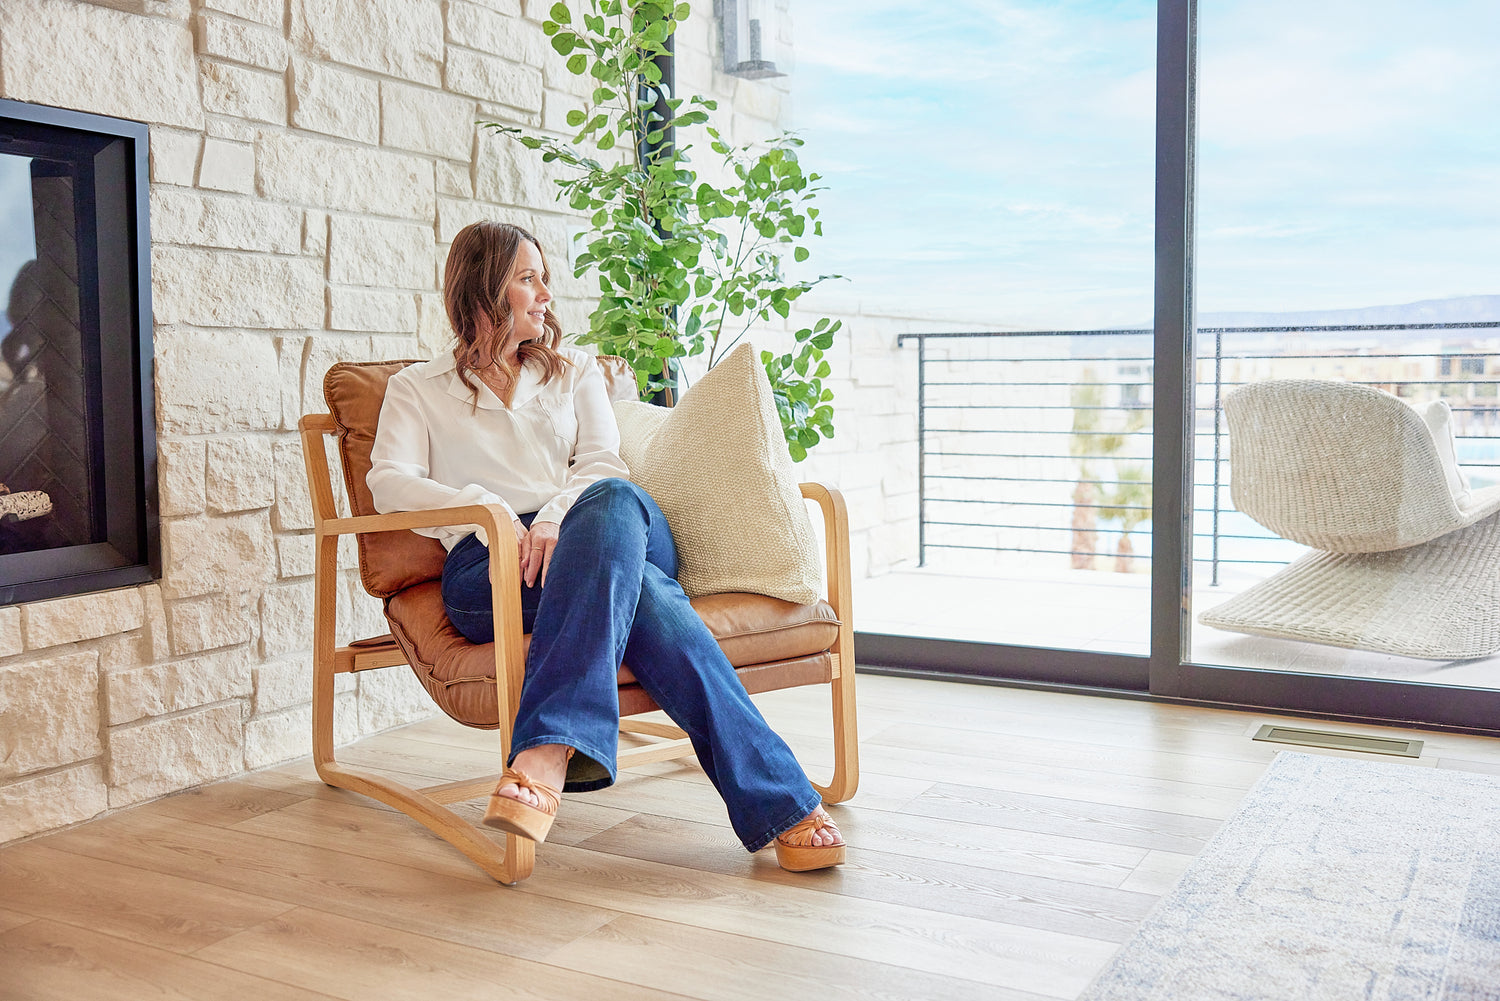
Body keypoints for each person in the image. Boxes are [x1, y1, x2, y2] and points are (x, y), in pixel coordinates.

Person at [367, 220, 845, 871]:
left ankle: (544, 750)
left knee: (612, 503)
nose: (545, 293)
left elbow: (604, 463)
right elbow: (388, 481)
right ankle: (783, 802)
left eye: (544, 278)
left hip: (604, 524)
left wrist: (556, 517)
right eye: (528, 278)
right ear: (483, 289)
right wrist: (495, 512)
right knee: (644, 595)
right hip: (491, 567)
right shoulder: (417, 389)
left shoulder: (576, 371)